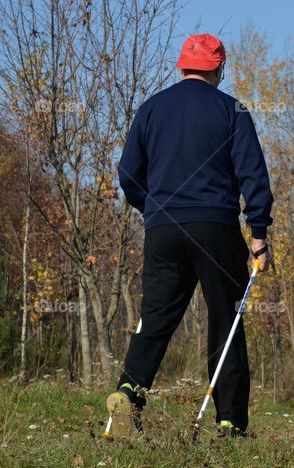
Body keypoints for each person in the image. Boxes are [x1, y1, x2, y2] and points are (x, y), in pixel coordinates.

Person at [105, 33, 273, 439]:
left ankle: (129, 393)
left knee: (156, 319)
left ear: (182, 66)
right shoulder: (233, 109)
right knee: (224, 318)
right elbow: (253, 174)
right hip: (215, 226)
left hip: (162, 228)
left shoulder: (151, 108)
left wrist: (153, 208)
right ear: (219, 68)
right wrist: (259, 234)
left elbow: (127, 174)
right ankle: (230, 421)